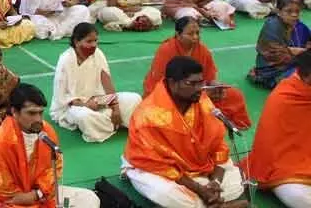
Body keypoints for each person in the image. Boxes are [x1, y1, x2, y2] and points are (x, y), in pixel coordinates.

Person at [123, 56, 248, 208]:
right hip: (157, 169)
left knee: (237, 180)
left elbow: (219, 147)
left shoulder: (202, 102)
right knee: (165, 194)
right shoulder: (149, 115)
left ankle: (209, 201)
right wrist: (200, 189)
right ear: (172, 83)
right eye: (192, 83)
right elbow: (157, 164)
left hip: (200, 166)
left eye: (201, 83)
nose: (199, 89)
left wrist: (215, 182)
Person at [0, 83, 101, 207]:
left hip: (40, 193)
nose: (38, 119)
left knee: (89, 198)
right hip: (10, 201)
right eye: (31, 113)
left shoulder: (46, 132)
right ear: (14, 112)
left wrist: (38, 193)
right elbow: (3, 191)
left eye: (40, 113)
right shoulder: (0, 142)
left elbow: (54, 168)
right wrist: (32, 197)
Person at [144, 17, 252, 130]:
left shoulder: (202, 49)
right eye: (190, 34)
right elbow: (162, 84)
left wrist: (215, 86)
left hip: (197, 90)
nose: (195, 37)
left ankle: (232, 123)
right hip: (170, 93)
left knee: (233, 94)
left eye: (197, 33)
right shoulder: (166, 50)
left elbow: (210, 77)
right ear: (178, 34)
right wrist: (196, 92)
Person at [51, 22, 142, 143]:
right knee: (85, 117)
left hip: (98, 100)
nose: (94, 45)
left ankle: (109, 120)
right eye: (89, 41)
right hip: (72, 106)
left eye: (95, 41)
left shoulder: (98, 54)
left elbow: (107, 83)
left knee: (134, 99)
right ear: (77, 42)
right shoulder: (66, 59)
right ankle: (114, 123)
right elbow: (61, 96)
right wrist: (85, 105)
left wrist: (115, 109)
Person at [244, 51, 311, 208]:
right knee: (297, 197)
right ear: (305, 75)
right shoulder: (284, 96)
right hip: (286, 168)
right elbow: (269, 147)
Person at [249, 0, 310, 89]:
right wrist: (301, 55)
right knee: (303, 78)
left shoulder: (298, 25)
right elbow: (275, 56)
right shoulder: (272, 26)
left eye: (297, 11)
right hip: (274, 70)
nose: (294, 15)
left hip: (294, 64)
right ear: (279, 12)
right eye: (289, 11)